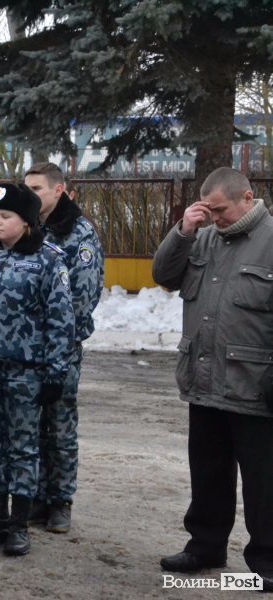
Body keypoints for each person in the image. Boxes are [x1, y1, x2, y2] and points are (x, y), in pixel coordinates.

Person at [154, 167, 273, 591]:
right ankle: (205, 546)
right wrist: (183, 232)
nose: (215, 218)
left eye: (220, 210)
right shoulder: (202, 238)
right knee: (207, 473)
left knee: (264, 484)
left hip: (256, 385)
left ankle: (267, 561)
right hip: (204, 381)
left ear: (247, 198)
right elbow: (164, 276)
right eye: (209, 210)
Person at [0, 183, 74, 558]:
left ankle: (18, 526)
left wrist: (55, 372)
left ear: (26, 221)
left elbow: (61, 320)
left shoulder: (48, 260)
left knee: (23, 449)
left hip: (25, 372)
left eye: (5, 216)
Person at [23, 162, 104, 533]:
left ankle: (60, 500)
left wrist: (54, 338)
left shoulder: (78, 233)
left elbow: (82, 299)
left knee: (59, 426)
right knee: (31, 426)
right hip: (27, 346)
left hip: (61, 347)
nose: (30, 195)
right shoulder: (30, 227)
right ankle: (38, 496)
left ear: (58, 190)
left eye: (37, 189)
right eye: (27, 188)